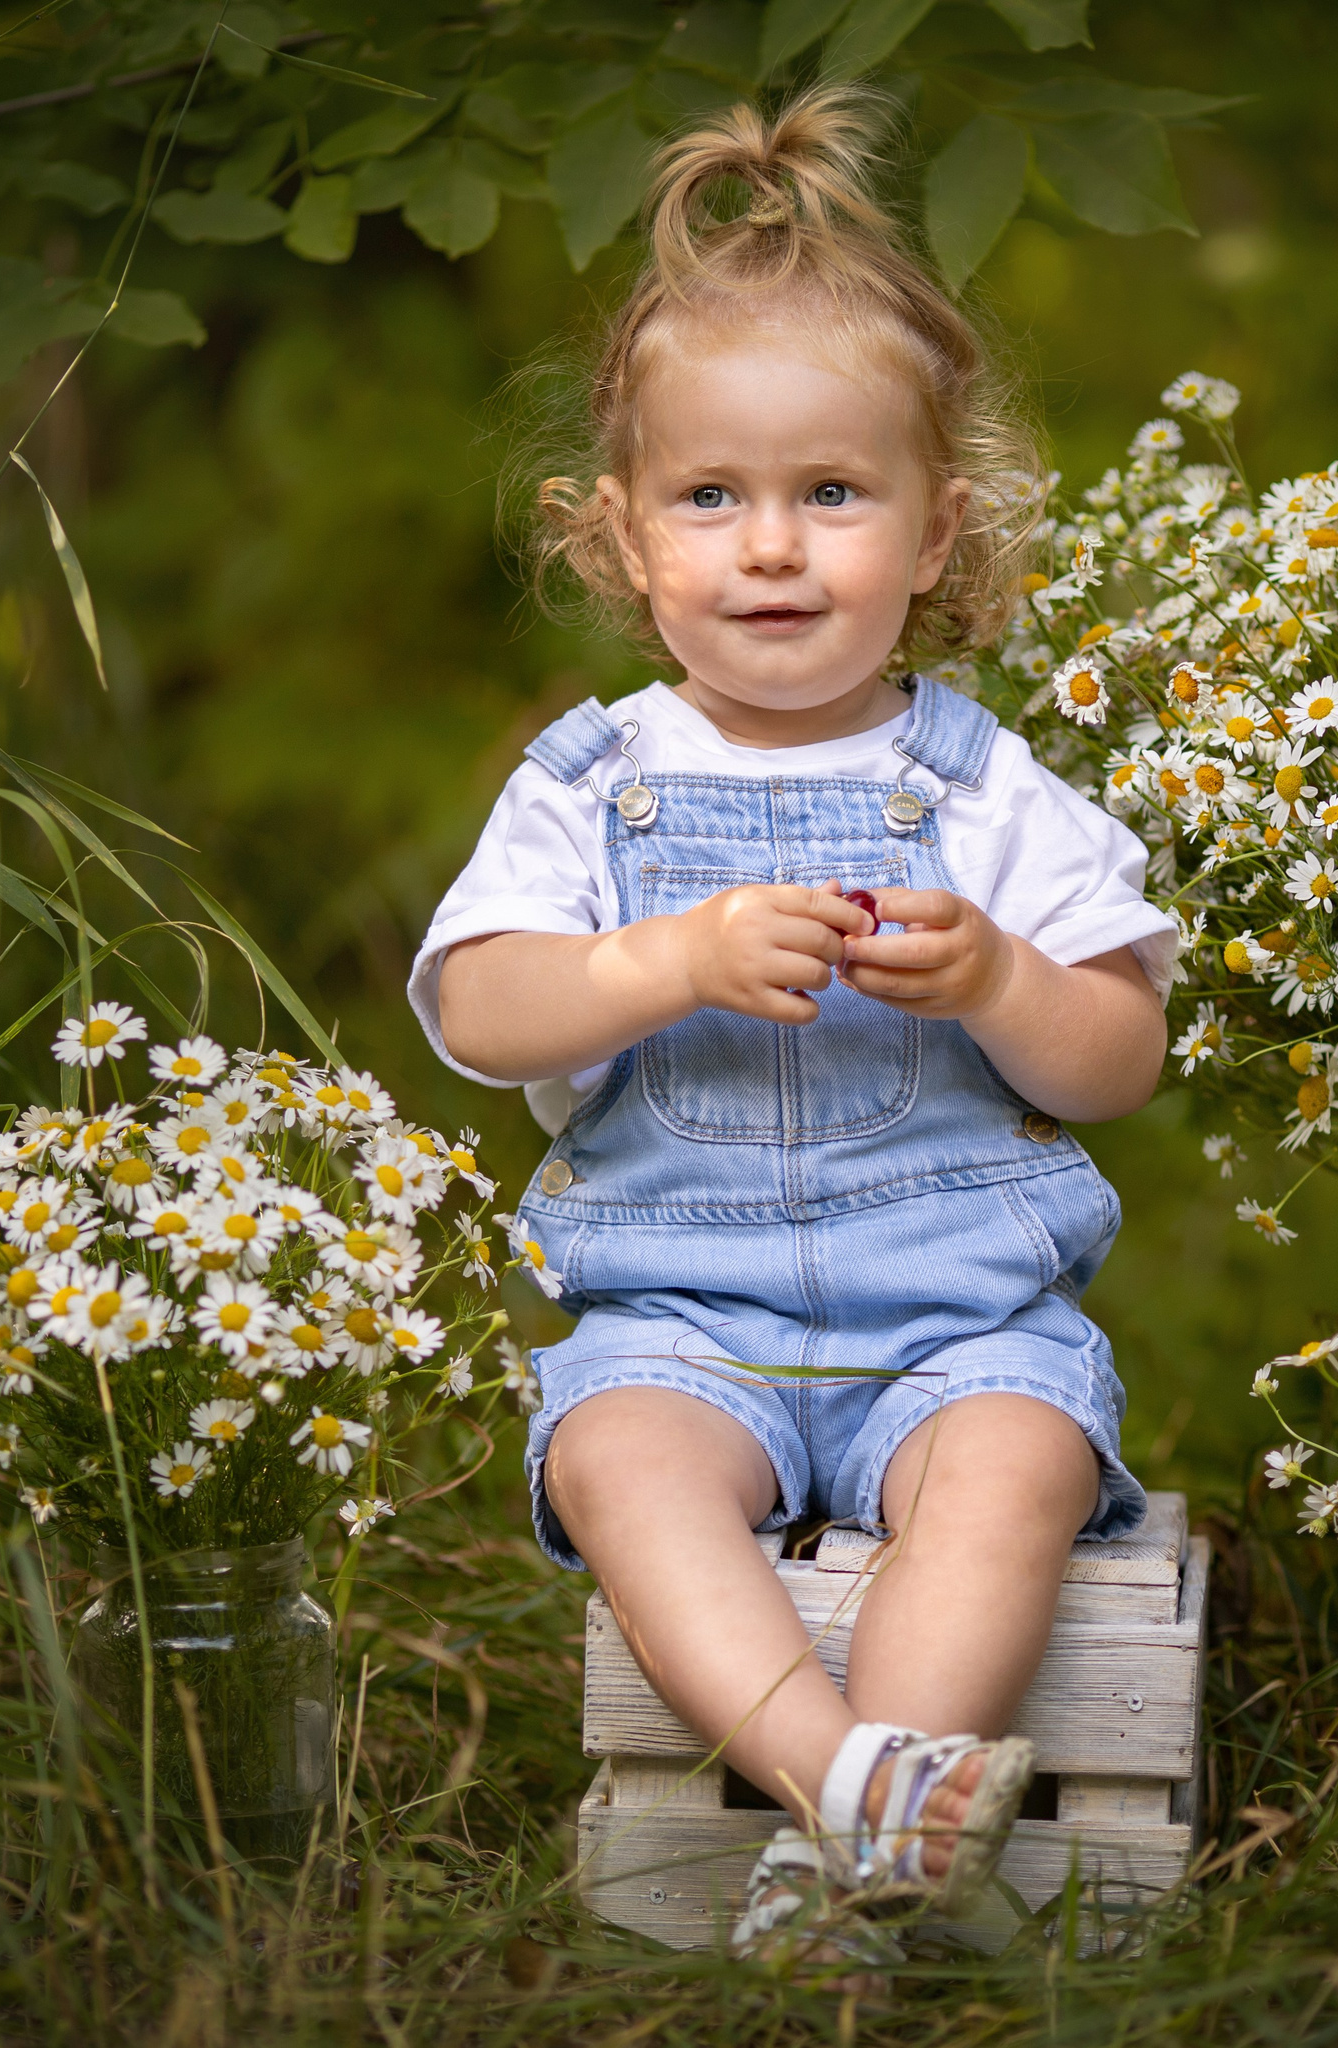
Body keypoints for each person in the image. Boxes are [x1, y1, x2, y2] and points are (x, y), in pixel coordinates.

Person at [409, 83, 1176, 1971]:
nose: (771, 546)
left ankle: (848, 1868)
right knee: (620, 1465)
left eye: (832, 493)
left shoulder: (995, 794)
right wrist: (657, 964)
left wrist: (1002, 979)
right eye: (711, 497)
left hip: (959, 1311)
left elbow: (1118, 1060)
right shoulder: (594, 789)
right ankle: (854, 1795)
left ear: (935, 533)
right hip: (683, 1309)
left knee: (1013, 1474)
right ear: (622, 538)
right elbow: (485, 1010)